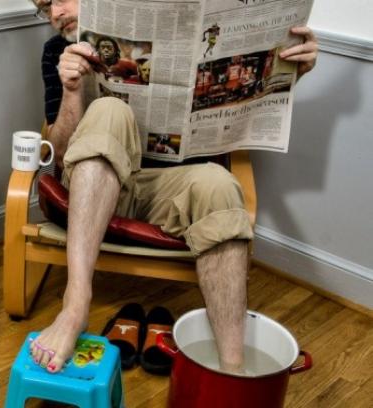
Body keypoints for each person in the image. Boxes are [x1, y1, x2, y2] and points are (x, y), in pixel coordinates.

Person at [29, 0, 318, 374]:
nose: (54, 14)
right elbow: (60, 152)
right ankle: (75, 304)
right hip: (92, 182)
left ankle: (233, 369)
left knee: (219, 183)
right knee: (110, 110)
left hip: (166, 190)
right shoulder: (56, 51)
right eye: (43, 7)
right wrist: (71, 90)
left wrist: (290, 68)